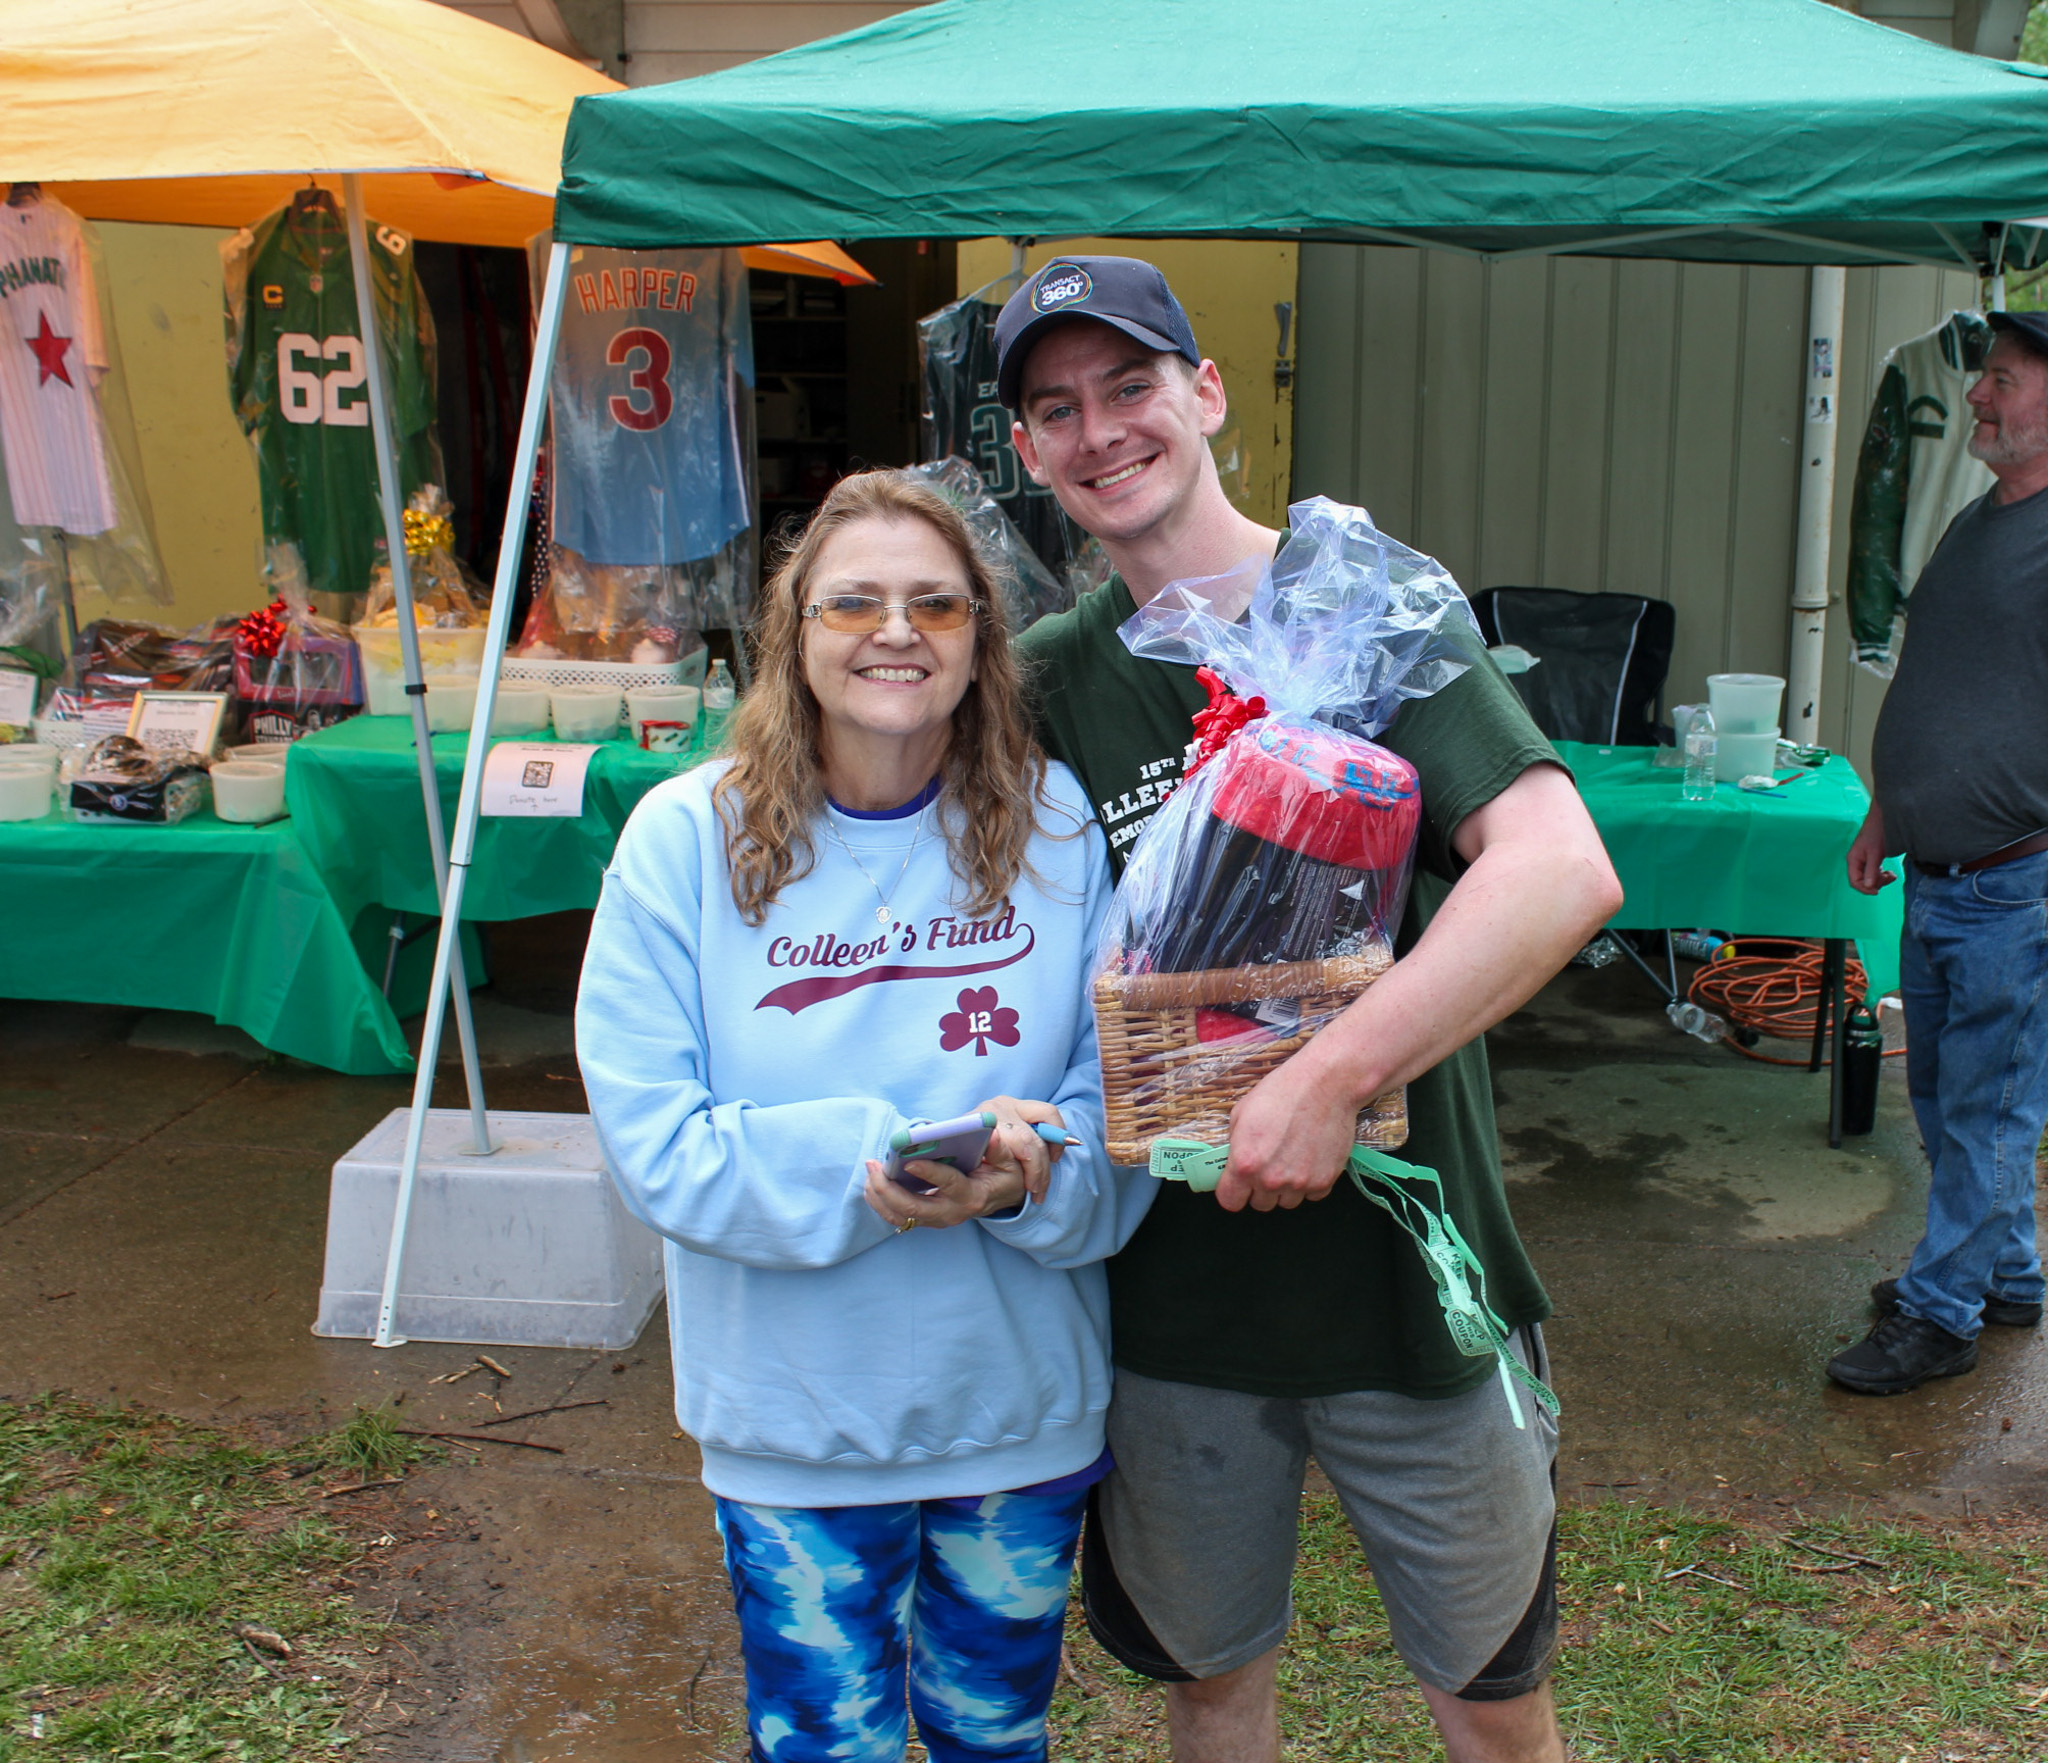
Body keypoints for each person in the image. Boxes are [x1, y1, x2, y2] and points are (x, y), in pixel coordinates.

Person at [995, 257, 1622, 1763]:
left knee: (1493, 1707)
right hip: (1177, 1305)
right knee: (1211, 1691)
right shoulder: (1048, 682)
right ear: (1026, 450)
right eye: (1056, 409)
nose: (1100, 431)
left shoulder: (1368, 608)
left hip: (1411, 1281)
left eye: (1131, 385)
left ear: (1208, 393)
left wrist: (1331, 1077)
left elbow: (1557, 869)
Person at [575, 470, 1153, 1763]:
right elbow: (653, 1143)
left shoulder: (1056, 823)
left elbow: (1118, 1099)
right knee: (821, 1746)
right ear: (794, 633)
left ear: (981, 641)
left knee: (995, 1737)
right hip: (794, 1424)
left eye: (935, 604)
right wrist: (868, 1163)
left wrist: (1024, 1172)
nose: (896, 630)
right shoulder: (685, 838)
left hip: (1014, 1412)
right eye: (854, 602)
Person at [1831, 310, 2048, 1397]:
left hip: (2015, 885)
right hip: (1935, 872)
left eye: (2001, 379)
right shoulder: (1980, 517)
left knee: (1984, 1111)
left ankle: (1940, 1314)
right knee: (1944, 1100)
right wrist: (1888, 809)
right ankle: (2004, 1271)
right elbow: (1939, 678)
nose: (1975, 394)